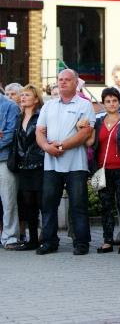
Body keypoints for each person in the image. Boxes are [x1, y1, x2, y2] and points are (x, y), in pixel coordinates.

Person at [35, 69, 95, 255]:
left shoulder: (84, 105)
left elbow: (85, 133)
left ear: (76, 83)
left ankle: (81, 242)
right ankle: (49, 241)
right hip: (51, 164)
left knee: (78, 205)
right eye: (60, 79)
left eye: (67, 80)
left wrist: (60, 146)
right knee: (48, 204)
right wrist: (47, 147)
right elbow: (39, 131)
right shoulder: (48, 105)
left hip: (76, 164)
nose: (62, 82)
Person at [89, 88, 120, 254]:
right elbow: (90, 143)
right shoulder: (98, 122)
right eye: (108, 101)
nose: (111, 104)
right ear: (103, 103)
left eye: (114, 101)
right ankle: (107, 240)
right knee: (105, 206)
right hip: (102, 170)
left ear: (119, 102)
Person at [12, 85, 45, 251]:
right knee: (28, 204)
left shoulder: (41, 116)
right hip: (23, 166)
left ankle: (47, 238)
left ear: (36, 99)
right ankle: (32, 240)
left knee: (41, 203)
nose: (23, 97)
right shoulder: (19, 117)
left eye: (27, 95)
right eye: (22, 95)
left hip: (39, 164)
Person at [0, 88, 21, 249]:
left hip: (4, 160)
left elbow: (8, 135)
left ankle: (10, 237)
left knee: (8, 201)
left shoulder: (9, 106)